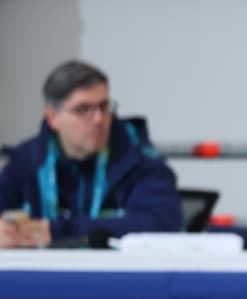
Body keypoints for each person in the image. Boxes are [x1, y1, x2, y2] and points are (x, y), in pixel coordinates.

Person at [0, 60, 181, 249]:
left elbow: (160, 225)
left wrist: (55, 232)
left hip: (114, 268)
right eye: (83, 110)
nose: (98, 119)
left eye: (103, 106)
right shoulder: (26, 160)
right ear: (53, 117)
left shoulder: (140, 162)